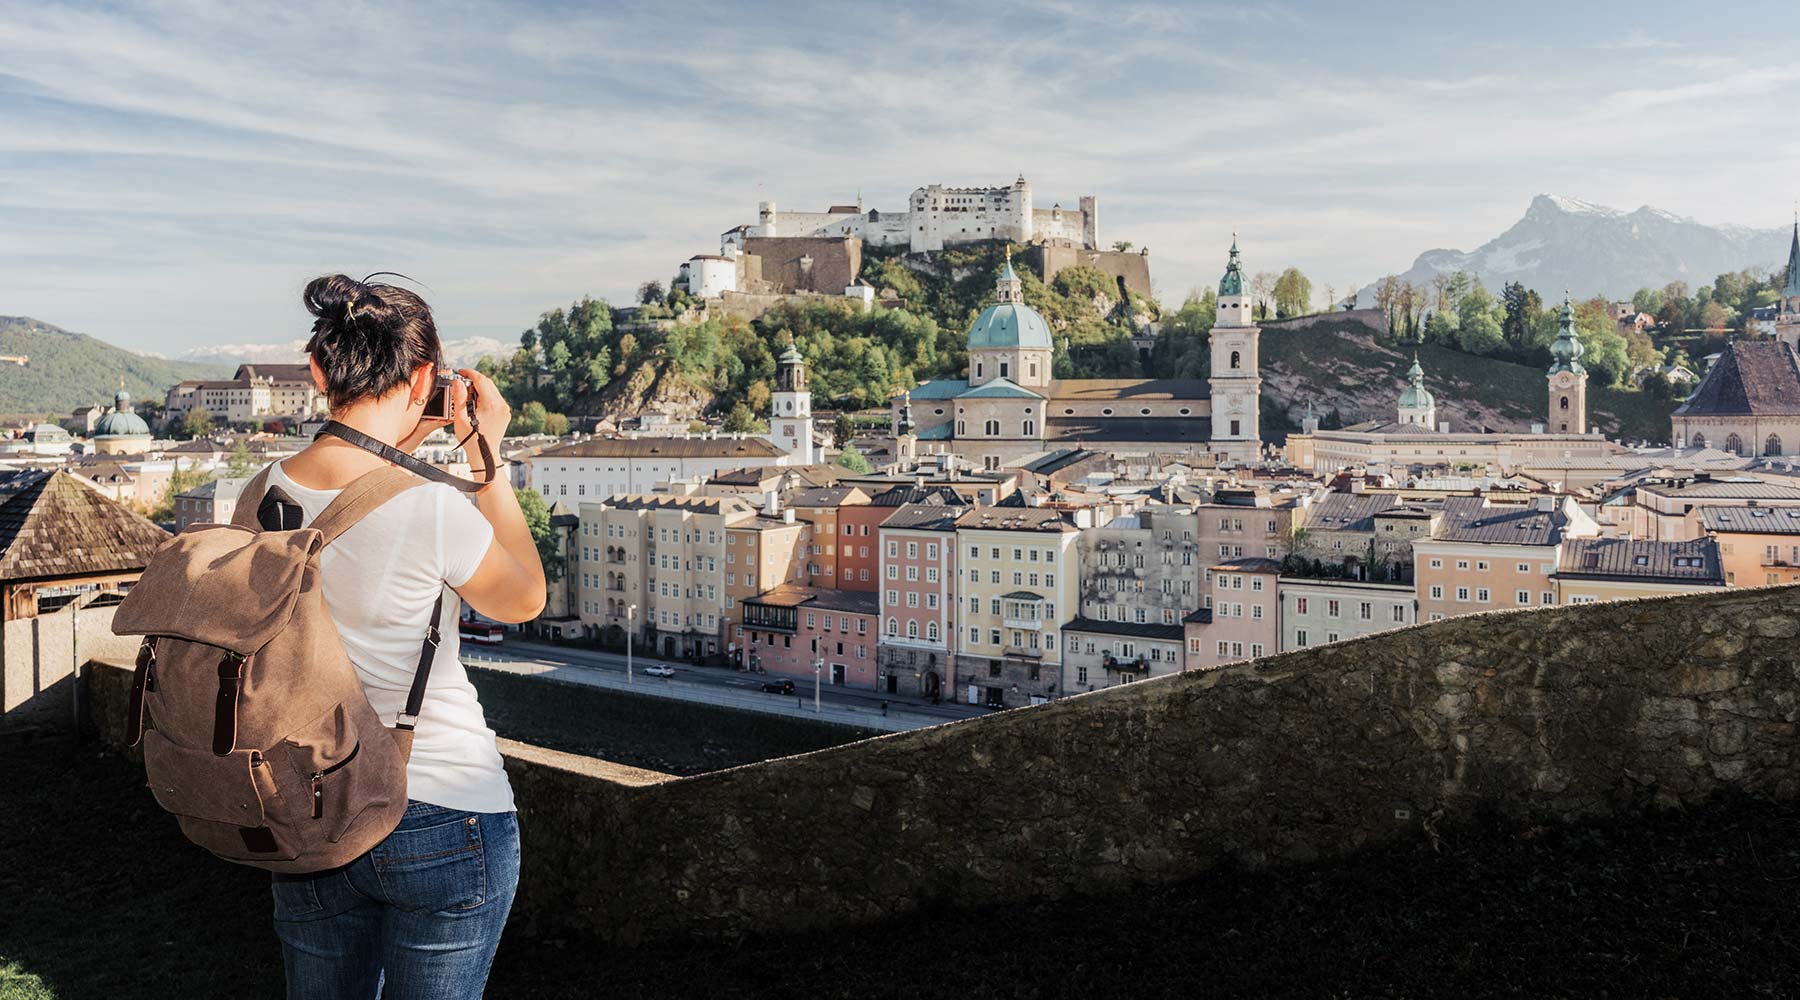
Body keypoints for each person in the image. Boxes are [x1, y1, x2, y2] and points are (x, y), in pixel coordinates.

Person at [264, 273, 546, 999]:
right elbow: (524, 599)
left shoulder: (260, 492)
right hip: (442, 803)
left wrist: (398, 435)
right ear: (426, 377)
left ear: (319, 369)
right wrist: (488, 460)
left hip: (309, 801)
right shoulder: (431, 507)